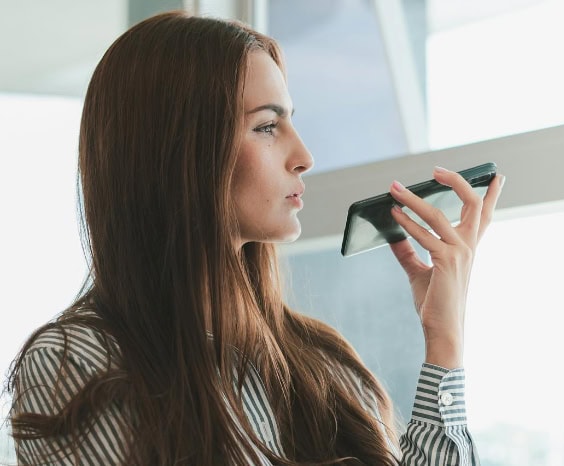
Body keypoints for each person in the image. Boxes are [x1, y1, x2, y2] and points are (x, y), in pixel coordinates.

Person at [5, 11, 504, 466]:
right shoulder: (76, 363)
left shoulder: (324, 363)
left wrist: (444, 338)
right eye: (267, 126)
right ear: (181, 151)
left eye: (290, 120)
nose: (304, 155)